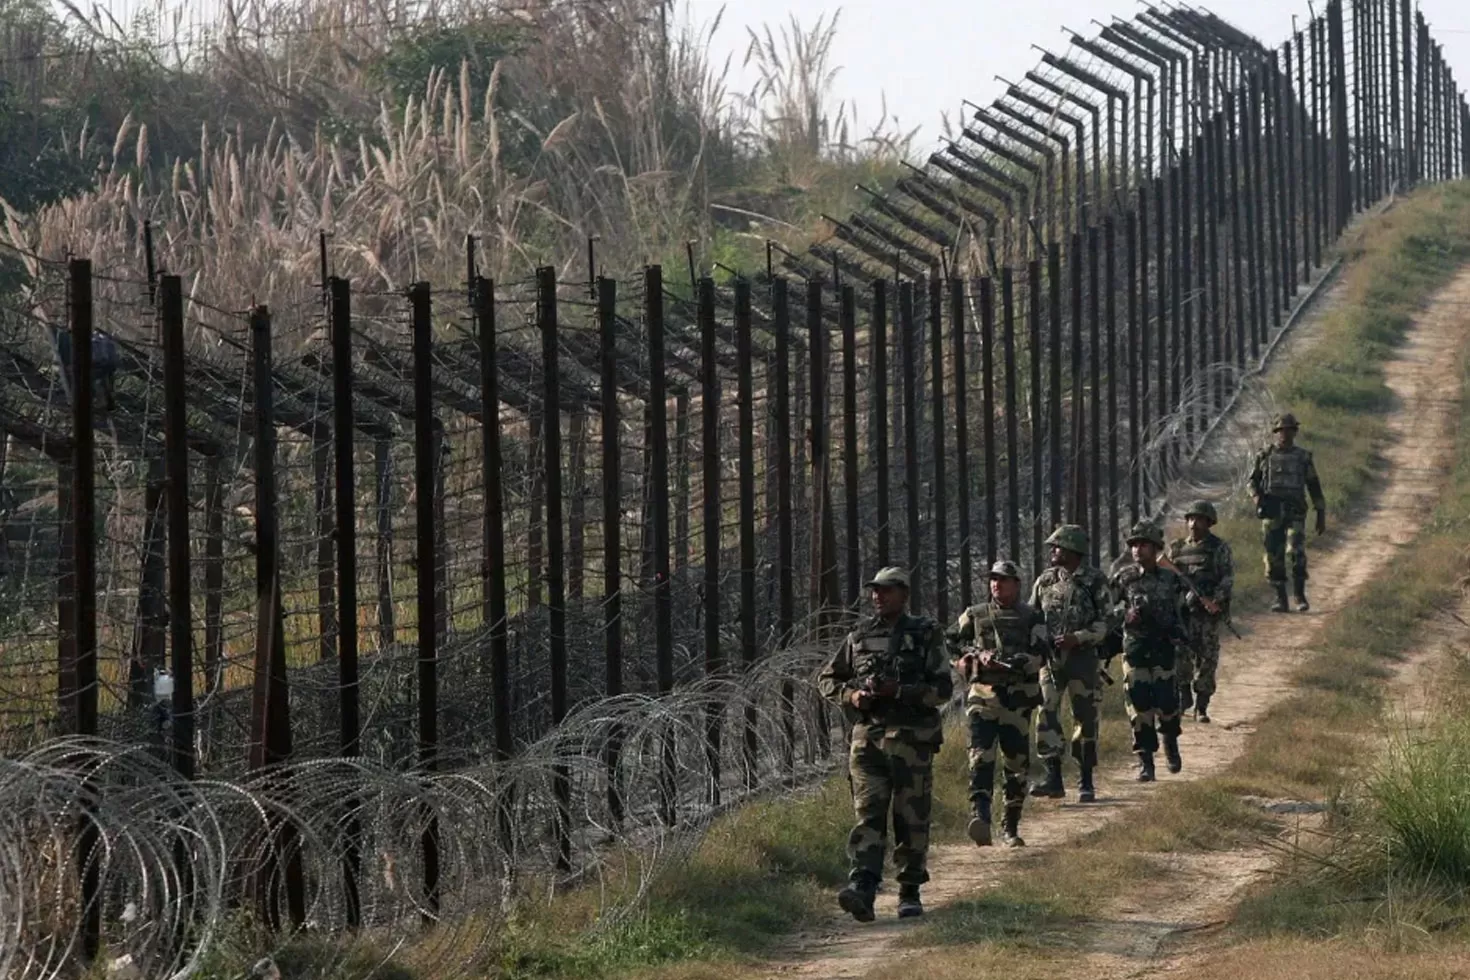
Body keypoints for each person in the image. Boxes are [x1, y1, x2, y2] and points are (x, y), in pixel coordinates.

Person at [817, 567, 952, 922]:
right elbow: (828, 679)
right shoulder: (859, 636)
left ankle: (909, 890)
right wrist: (853, 695)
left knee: (911, 817)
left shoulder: (925, 635)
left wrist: (902, 692)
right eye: (875, 591)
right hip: (868, 741)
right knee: (868, 815)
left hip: (912, 741)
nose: (878, 597)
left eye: (887, 591)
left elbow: (943, 689)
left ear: (904, 594)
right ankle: (863, 887)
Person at [948, 560, 1049, 848]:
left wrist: (1020, 662)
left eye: (1003, 580)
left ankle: (1011, 825)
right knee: (980, 758)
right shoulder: (975, 614)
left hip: (1017, 701)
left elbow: (1042, 652)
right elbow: (950, 641)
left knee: (1016, 766)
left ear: (1017, 584)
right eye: (993, 579)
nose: (996, 584)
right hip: (983, 696)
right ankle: (980, 815)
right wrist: (969, 658)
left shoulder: (1032, 617)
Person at [1028, 524, 1111, 804]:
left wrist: (1079, 637)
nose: (1053, 551)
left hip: (1083, 660)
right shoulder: (1045, 580)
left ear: (1073, 550)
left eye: (1058, 547)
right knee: (1047, 711)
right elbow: (1033, 616)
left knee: (1085, 717)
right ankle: (1053, 777)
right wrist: (1039, 640)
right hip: (1050, 662)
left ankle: (1085, 778)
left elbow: (1107, 622)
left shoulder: (1095, 581)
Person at [1110, 521, 1190, 781]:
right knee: (1139, 706)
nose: (1137, 549)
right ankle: (1146, 761)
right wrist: (1126, 615)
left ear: (1155, 548)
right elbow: (1105, 611)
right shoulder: (1124, 578)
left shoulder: (1170, 579)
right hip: (1135, 649)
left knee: (1167, 703)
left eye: (1143, 544)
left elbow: (1182, 612)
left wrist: (1181, 634)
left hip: (1163, 649)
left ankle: (1170, 741)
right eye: (1134, 545)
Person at [1248, 412, 1325, 612]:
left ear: (1295, 432)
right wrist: (1256, 497)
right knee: (1273, 556)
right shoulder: (1265, 455)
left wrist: (1320, 513)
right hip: (1271, 512)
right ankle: (1280, 598)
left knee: (1296, 552)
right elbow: (1252, 481)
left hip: (1295, 511)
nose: (1285, 434)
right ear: (1276, 432)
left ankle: (1299, 595)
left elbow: (1313, 485)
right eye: (1282, 430)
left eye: (1289, 430)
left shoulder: (1302, 457)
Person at [1165, 501, 1234, 723]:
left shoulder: (1218, 548)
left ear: (1208, 522)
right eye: (1191, 519)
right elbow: (1168, 578)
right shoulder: (1176, 549)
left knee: (1207, 659)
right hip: (1183, 613)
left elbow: (1227, 578)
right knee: (1180, 656)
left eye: (1200, 519)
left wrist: (1215, 600)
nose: (1194, 524)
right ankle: (1185, 697)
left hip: (1207, 614)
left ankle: (1202, 706)